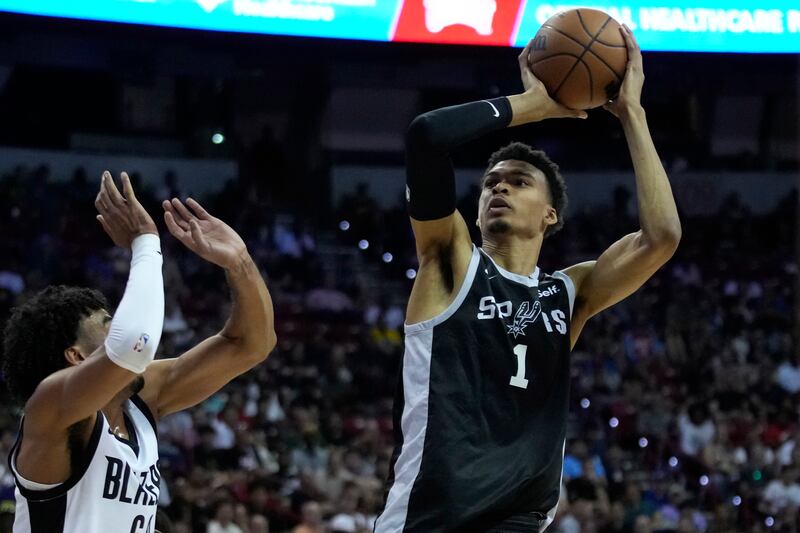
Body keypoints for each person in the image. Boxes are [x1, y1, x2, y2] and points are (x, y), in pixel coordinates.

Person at [375, 26, 681, 532]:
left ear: (550, 216)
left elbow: (662, 236)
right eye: (492, 183)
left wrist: (633, 114)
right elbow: (426, 138)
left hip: (520, 519)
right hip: (432, 517)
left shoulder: (568, 293)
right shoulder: (451, 263)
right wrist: (531, 105)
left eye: (519, 183)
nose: (499, 188)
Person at [2, 171, 276, 532]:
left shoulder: (141, 400)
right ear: (76, 356)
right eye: (107, 324)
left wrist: (239, 263)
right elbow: (134, 344)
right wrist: (145, 243)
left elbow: (252, 344)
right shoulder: (51, 409)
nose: (119, 324)